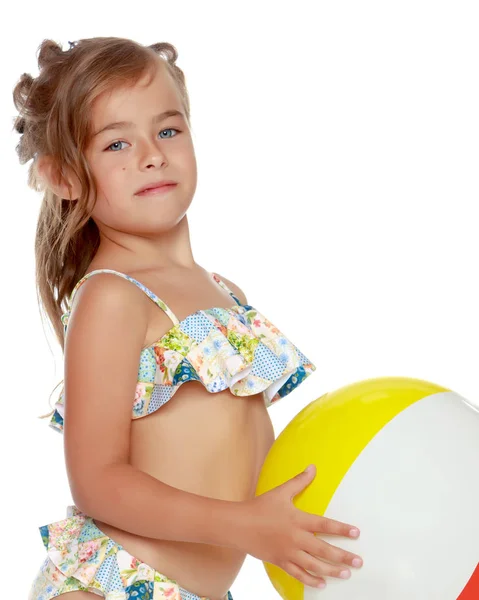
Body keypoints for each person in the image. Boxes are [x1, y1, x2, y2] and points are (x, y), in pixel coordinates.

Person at [13, 37, 363, 600]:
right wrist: (248, 526)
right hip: (112, 588)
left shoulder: (226, 295)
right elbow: (98, 482)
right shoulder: (114, 297)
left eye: (168, 131)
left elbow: (245, 457)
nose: (151, 154)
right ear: (65, 178)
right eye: (116, 143)